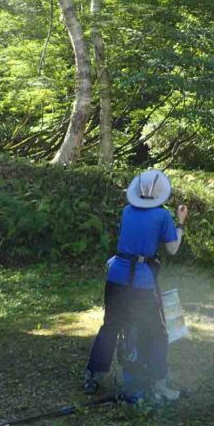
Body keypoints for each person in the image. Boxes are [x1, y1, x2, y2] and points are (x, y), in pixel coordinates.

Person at [83, 169, 189, 402]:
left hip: (117, 275)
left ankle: (92, 375)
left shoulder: (127, 211)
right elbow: (172, 248)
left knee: (110, 326)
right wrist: (180, 224)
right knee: (157, 331)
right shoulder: (162, 216)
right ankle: (159, 381)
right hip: (141, 281)